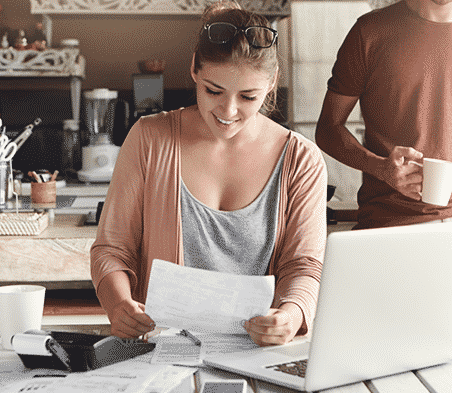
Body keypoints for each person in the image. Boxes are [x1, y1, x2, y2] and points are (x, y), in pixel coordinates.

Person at [91, 0, 327, 347]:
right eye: (213, 91)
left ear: (272, 82)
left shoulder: (301, 160)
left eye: (248, 97)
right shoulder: (149, 138)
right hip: (160, 351)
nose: (228, 111)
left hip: (258, 354)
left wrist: (291, 316)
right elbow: (112, 250)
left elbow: (304, 266)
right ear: (194, 71)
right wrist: (119, 304)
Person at [315, 0, 452, 352]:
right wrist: (380, 166)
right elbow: (328, 128)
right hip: (390, 220)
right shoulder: (369, 32)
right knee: (391, 356)